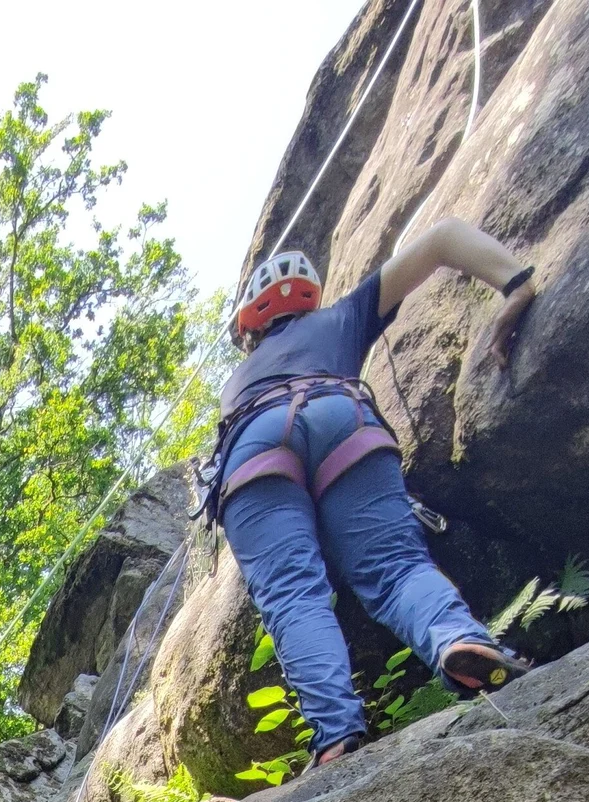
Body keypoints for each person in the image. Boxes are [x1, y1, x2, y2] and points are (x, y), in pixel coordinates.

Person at [205, 222, 539, 765]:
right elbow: (444, 237)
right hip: (341, 416)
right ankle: (458, 640)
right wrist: (517, 284)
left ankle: (336, 735)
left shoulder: (236, 381)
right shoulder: (340, 318)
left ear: (252, 325)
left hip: (253, 448)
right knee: (394, 567)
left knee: (294, 597)